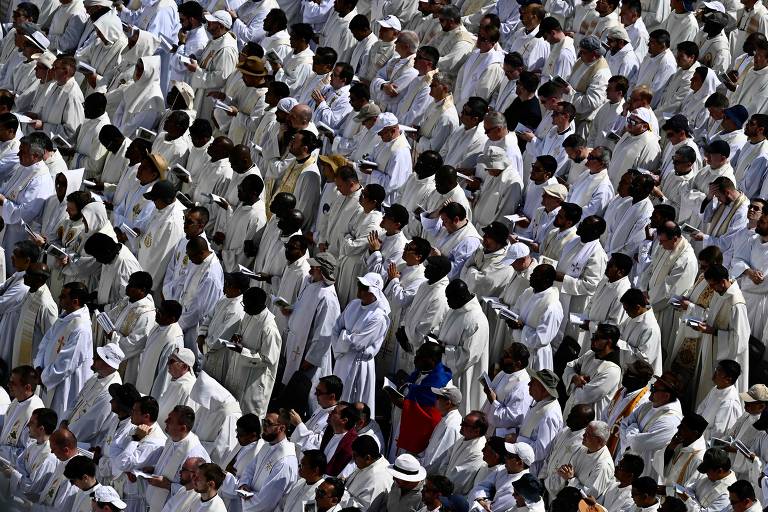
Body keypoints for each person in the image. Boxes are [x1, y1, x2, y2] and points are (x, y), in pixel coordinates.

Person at [33, 282, 93, 417]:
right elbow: (45, 342)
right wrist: (38, 366)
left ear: (75, 301)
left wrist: (44, 377)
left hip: (64, 382)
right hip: (47, 375)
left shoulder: (81, 327)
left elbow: (68, 363)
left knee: (58, 414)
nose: (59, 298)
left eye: (63, 296)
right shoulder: (64, 317)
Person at [225, 287, 281, 417]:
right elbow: (241, 330)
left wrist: (242, 350)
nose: (244, 309)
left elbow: (268, 360)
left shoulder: (269, 329)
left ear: (258, 305)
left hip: (253, 385)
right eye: (243, 304)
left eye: (247, 305)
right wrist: (237, 337)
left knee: (247, 417)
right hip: (238, 374)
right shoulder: (250, 313)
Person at [619, 371, 684, 479]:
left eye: (655, 389)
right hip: (627, 465)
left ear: (666, 396)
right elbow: (624, 424)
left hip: (645, 474)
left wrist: (633, 427)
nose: (650, 390)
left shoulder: (671, 420)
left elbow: (637, 444)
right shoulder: (649, 405)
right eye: (652, 386)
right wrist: (632, 437)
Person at [145, 405, 210, 512]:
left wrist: (168, 485)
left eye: (170, 420)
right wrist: (155, 468)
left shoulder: (194, 455)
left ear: (182, 428)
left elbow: (196, 490)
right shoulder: (172, 439)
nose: (165, 421)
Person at [438, 279, 489, 415]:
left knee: (459, 412)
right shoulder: (456, 308)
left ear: (460, 297)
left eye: (449, 299)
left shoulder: (477, 320)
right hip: (445, 368)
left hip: (463, 375)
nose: (447, 302)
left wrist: (444, 350)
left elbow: (468, 357)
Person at [62, 343, 124, 448]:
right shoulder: (95, 377)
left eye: (98, 357)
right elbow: (76, 401)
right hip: (67, 430)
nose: (93, 358)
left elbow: (91, 424)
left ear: (108, 364)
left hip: (82, 443)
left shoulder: (109, 391)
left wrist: (66, 435)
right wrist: (64, 420)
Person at [238, 411, 298, 512]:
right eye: (264, 422)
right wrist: (244, 484)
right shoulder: (266, 446)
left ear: (281, 428)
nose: (264, 427)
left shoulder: (285, 461)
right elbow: (250, 469)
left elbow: (266, 502)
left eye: (268, 423)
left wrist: (245, 499)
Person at [100, 272, 156, 381]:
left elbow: (135, 344)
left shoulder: (146, 314)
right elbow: (112, 317)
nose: (127, 287)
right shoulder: (127, 300)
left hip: (129, 362)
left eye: (132, 285)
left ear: (142, 290)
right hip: (111, 349)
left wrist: (113, 336)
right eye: (129, 283)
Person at [137, 301, 185, 398]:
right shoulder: (157, 327)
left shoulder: (173, 341)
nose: (157, 313)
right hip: (144, 377)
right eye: (158, 310)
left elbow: (165, 375)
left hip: (154, 390)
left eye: (161, 313)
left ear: (172, 319)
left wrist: (156, 398)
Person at [0, 365, 44, 462]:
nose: (8, 385)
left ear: (27, 387)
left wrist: (1, 451)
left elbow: (28, 452)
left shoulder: (34, 412)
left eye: (13, 383)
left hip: (14, 465)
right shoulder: (16, 401)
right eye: (9, 381)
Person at [696, 360, 744, 442]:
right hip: (698, 432)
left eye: (719, 372)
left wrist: (699, 435)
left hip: (706, 442)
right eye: (716, 369)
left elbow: (718, 432)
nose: (714, 373)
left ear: (728, 379)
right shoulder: (716, 388)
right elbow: (701, 408)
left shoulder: (729, 401)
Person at [343, 436, 393, 509]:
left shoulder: (378, 480)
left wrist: (340, 494)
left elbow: (363, 508)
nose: (353, 459)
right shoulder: (367, 463)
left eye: (355, 456)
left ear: (368, 458)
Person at [661, 413, 709, 489]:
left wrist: (666, 491)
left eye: (682, 427)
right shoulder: (680, 442)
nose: (678, 427)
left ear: (694, 433)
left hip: (674, 495)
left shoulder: (699, 458)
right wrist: (671, 447)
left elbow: (690, 489)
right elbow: (662, 465)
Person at [156, 349, 199, 428]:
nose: (167, 364)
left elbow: (186, 421)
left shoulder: (188, 388)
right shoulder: (176, 380)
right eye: (168, 359)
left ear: (184, 366)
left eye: (171, 361)